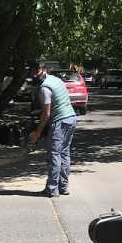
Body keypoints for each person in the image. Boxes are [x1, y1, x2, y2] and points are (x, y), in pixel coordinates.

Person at [27, 61, 77, 197]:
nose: (34, 74)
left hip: (60, 121)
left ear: (43, 70)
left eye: (35, 71)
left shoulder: (44, 88)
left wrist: (37, 132)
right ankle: (63, 186)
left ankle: (52, 189)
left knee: (54, 154)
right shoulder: (56, 79)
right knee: (64, 153)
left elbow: (46, 113)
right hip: (71, 118)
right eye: (32, 71)